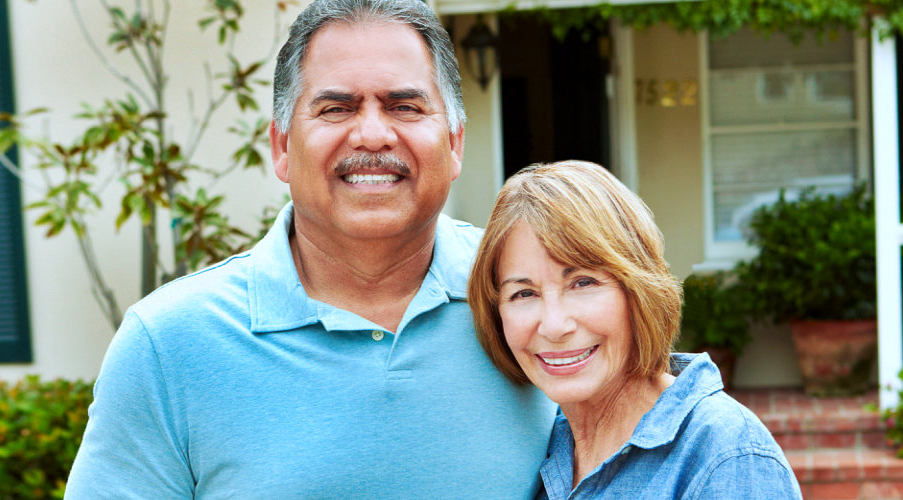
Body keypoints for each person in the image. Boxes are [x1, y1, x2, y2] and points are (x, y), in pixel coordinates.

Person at [63, 1, 556, 498]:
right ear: (281, 147)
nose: (372, 134)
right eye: (336, 108)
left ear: (454, 144)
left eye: (404, 106)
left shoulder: (540, 303)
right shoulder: (168, 346)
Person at [467, 161, 800, 499]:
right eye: (524, 293)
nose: (554, 326)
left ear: (638, 290)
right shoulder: (533, 445)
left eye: (583, 283)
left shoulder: (726, 456)